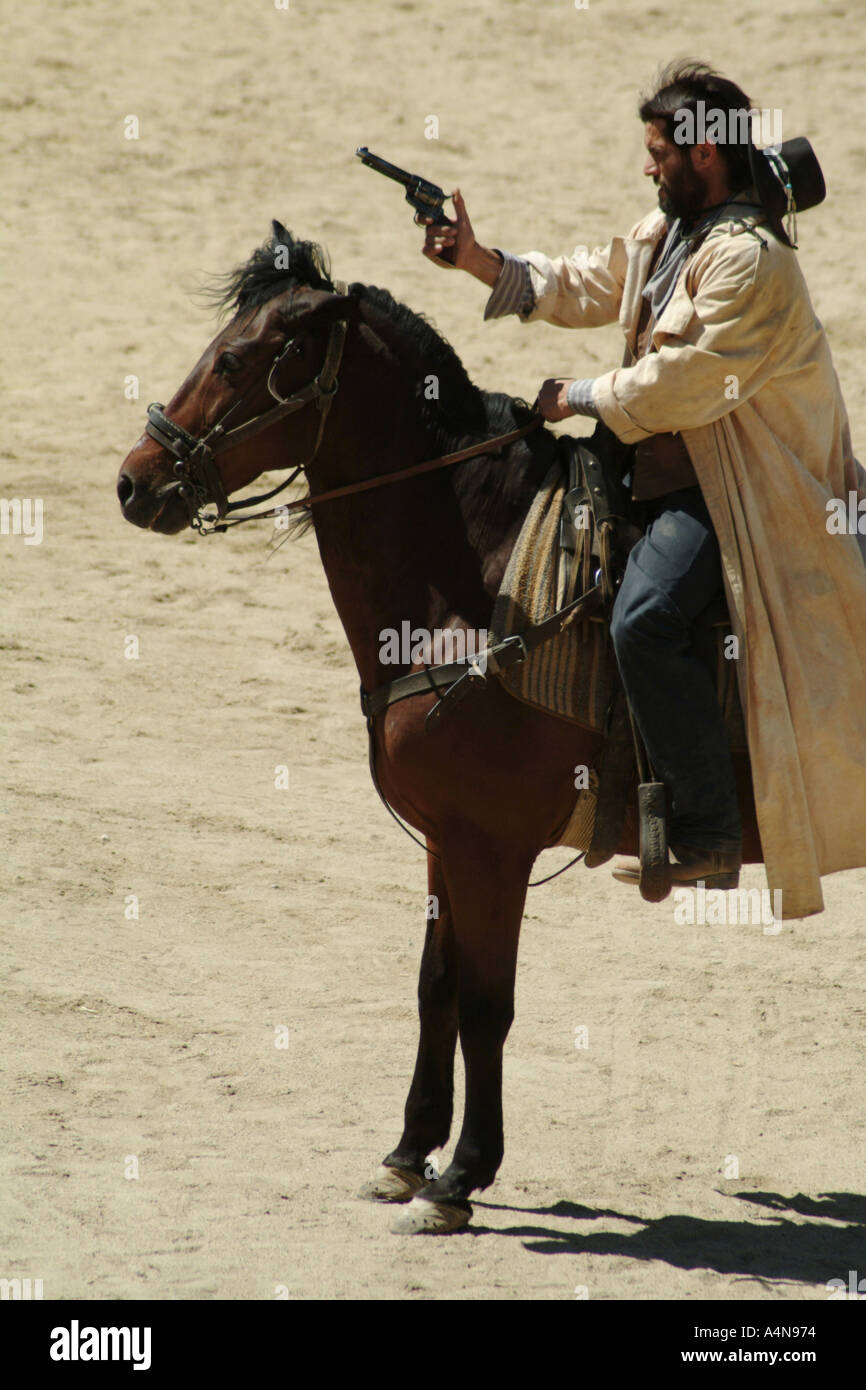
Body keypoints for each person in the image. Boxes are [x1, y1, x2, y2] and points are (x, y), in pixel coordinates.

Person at [419, 60, 866, 914]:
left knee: (648, 617)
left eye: (658, 151)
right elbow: (591, 281)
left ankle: (705, 829)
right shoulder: (669, 235)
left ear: (704, 152)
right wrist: (480, 260)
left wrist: (574, 396)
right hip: (656, 463)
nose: (647, 166)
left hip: (735, 486)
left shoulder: (753, 264)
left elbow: (682, 385)